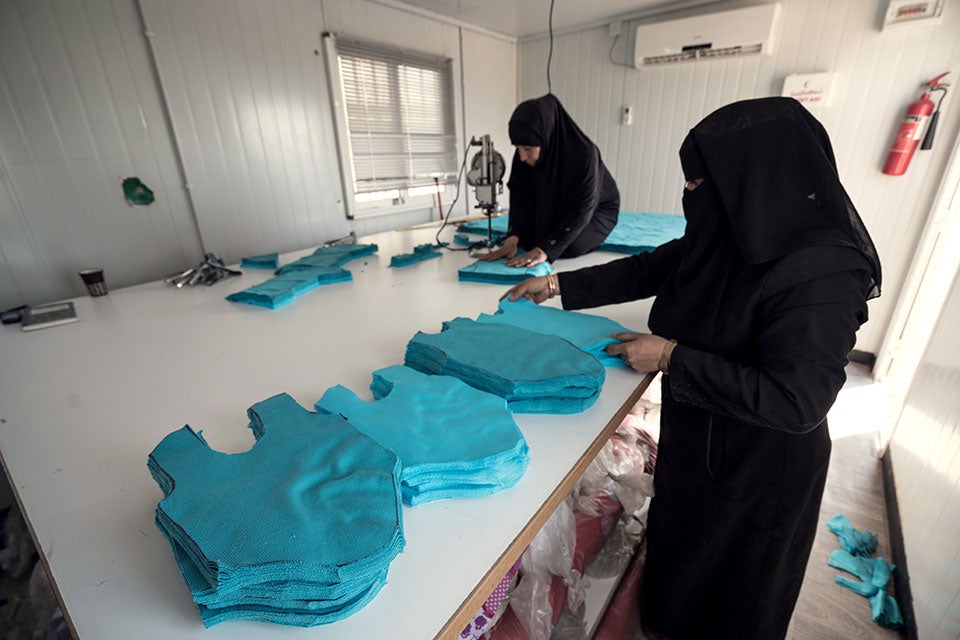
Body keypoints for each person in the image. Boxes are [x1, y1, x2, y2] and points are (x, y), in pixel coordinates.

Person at [502, 97, 882, 640]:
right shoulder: (736, 232)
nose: (690, 195)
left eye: (698, 183)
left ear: (750, 176)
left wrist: (670, 356)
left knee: (733, 598)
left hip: (760, 470)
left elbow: (796, 400)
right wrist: (559, 285)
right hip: (700, 439)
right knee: (679, 568)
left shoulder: (822, 271)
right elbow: (656, 265)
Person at [481, 94, 620, 268]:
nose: (522, 157)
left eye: (527, 149)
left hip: (597, 210)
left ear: (546, 137)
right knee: (528, 240)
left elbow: (583, 210)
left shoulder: (585, 156)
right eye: (517, 148)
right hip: (556, 206)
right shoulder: (526, 152)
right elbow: (519, 195)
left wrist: (545, 250)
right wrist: (512, 237)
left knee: (569, 246)